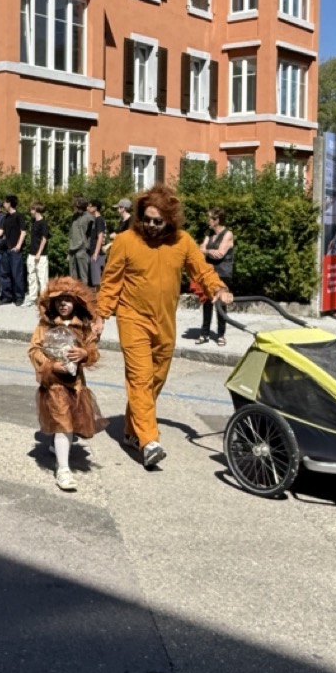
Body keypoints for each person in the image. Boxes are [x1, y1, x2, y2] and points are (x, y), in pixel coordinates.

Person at [96, 186, 233, 470]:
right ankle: (149, 442)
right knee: (140, 378)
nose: (151, 225)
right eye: (146, 219)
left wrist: (218, 288)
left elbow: (202, 270)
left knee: (156, 378)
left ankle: (132, 431)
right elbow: (111, 282)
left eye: (157, 221)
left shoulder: (182, 241)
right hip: (132, 318)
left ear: (170, 220)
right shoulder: (126, 241)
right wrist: (101, 316)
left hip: (165, 322)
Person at [27, 277, 107, 493]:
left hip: (76, 385)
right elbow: (34, 350)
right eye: (58, 300)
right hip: (53, 384)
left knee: (71, 421)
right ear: (51, 303)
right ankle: (63, 469)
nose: (63, 304)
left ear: (76, 302)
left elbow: (93, 351)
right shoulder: (45, 325)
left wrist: (84, 354)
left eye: (68, 300)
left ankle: (58, 445)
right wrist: (51, 365)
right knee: (63, 423)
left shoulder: (83, 326)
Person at [196, 208, 235, 346]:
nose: (208, 221)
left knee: (221, 304)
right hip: (209, 272)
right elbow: (200, 249)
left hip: (223, 273)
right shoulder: (209, 234)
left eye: (210, 218)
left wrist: (206, 251)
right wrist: (208, 251)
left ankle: (221, 335)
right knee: (206, 303)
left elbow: (219, 254)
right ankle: (204, 333)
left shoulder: (227, 234)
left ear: (217, 220)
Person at [0, 194, 26, 306]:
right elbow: (4, 232)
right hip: (6, 249)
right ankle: (7, 296)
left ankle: (19, 297)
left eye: (5, 202)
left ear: (10, 203)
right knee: (4, 274)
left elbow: (23, 231)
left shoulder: (19, 216)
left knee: (17, 274)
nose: (3, 204)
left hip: (15, 250)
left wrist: (18, 246)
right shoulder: (6, 217)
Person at [23, 202, 49, 307]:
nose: (30, 211)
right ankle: (32, 297)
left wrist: (39, 253)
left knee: (42, 278)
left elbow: (44, 239)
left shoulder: (43, 223)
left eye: (32, 209)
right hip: (31, 253)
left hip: (41, 255)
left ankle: (44, 300)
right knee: (31, 276)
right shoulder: (34, 222)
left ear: (36, 210)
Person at [67, 196, 93, 283]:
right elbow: (71, 233)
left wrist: (86, 247)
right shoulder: (74, 217)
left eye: (74, 205)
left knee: (83, 276)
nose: (73, 207)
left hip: (82, 250)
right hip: (72, 250)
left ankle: (84, 291)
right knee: (73, 277)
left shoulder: (89, 218)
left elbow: (91, 235)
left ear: (79, 206)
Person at [87, 198, 107, 286]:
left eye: (90, 206)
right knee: (94, 281)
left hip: (98, 254)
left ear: (95, 208)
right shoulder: (95, 220)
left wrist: (96, 253)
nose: (88, 208)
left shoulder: (99, 220)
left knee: (97, 281)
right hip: (94, 253)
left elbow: (100, 237)